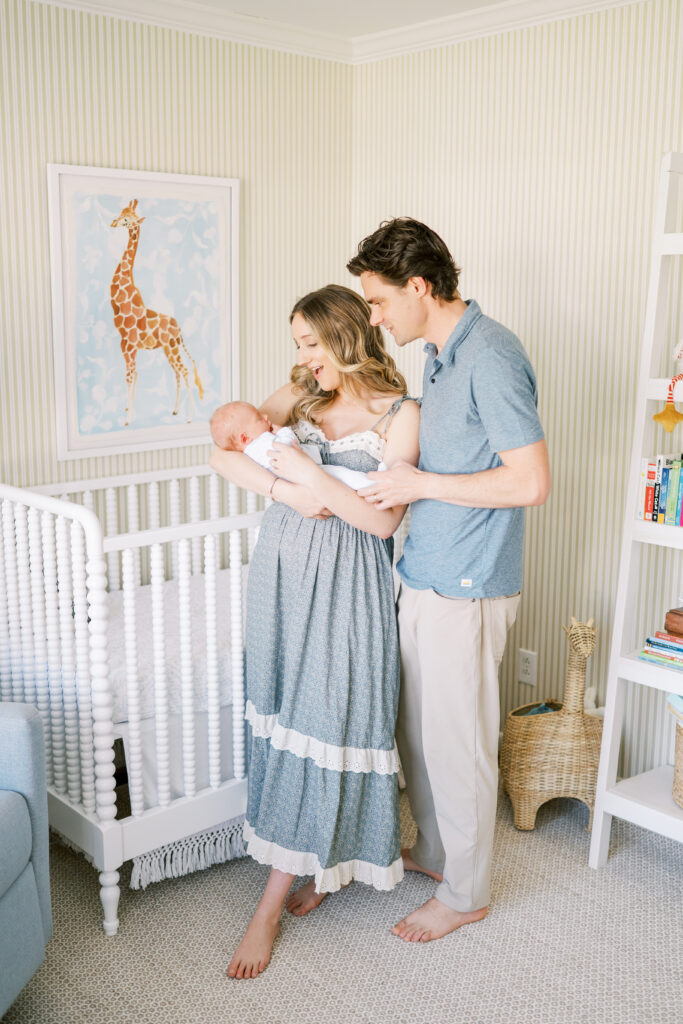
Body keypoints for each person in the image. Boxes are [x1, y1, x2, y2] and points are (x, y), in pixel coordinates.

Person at [347, 218, 550, 944]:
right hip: (425, 571)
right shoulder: (437, 355)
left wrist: (420, 480)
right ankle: (436, 850)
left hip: (468, 583)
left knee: (458, 740)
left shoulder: (491, 355)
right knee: (419, 731)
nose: (373, 317)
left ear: (418, 286)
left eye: (376, 302)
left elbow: (529, 482)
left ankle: (467, 893)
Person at [210, 283, 420, 979]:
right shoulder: (298, 391)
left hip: (345, 586)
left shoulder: (399, 413)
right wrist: (286, 491)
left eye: (310, 342)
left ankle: (267, 908)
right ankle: (315, 867)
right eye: (296, 342)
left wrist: (310, 473)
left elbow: (383, 521)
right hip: (280, 575)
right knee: (283, 714)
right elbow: (221, 452)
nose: (301, 355)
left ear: (347, 335)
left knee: (325, 718)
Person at [210, 399, 387, 490]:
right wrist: (282, 431)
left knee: (343, 477)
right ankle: (375, 484)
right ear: (244, 438)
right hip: (306, 474)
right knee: (344, 475)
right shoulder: (260, 446)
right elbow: (285, 448)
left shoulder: (253, 449)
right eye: (258, 418)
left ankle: (372, 483)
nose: (265, 417)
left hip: (304, 474)